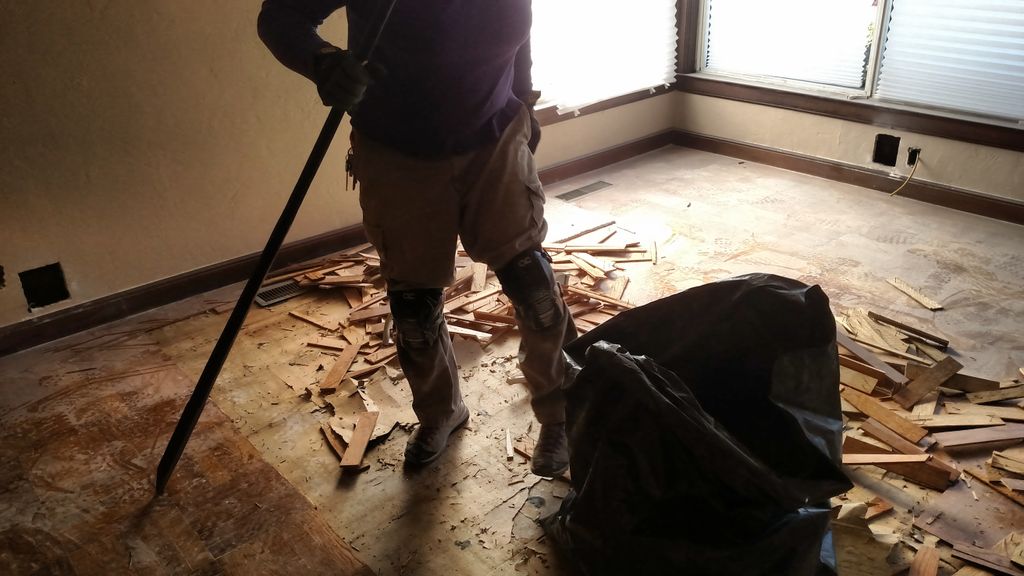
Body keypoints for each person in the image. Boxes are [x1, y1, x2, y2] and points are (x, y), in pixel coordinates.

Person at [257, 0, 576, 476]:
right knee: (414, 308)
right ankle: (441, 411)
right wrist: (323, 62)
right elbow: (280, 17)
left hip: (494, 137)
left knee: (536, 290)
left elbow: (517, 29)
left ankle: (561, 412)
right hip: (395, 148)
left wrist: (525, 99)